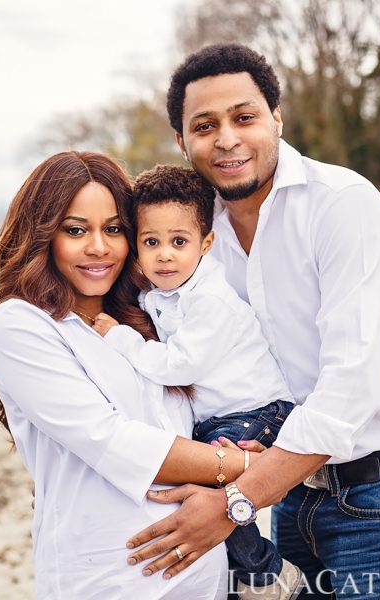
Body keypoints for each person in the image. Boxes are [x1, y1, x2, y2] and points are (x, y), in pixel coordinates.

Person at [125, 44, 380, 599]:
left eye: (245, 117)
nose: (227, 138)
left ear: (277, 118)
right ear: (182, 142)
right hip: (293, 486)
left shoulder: (342, 205)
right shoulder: (196, 235)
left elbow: (349, 389)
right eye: (205, 126)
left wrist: (236, 503)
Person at [0, 150, 258, 599]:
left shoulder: (149, 320)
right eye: (75, 230)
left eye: (113, 229)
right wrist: (255, 469)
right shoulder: (23, 324)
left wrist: (242, 461)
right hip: (110, 578)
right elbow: (111, 439)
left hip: (205, 576)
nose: (99, 246)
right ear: (43, 236)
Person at [90, 164, 303, 597]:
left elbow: (178, 366)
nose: (164, 254)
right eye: (151, 242)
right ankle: (238, 572)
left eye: (179, 242)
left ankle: (268, 574)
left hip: (258, 412)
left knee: (206, 485)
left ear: (206, 243)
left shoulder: (211, 300)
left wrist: (120, 338)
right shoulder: (159, 295)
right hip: (223, 415)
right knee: (196, 475)